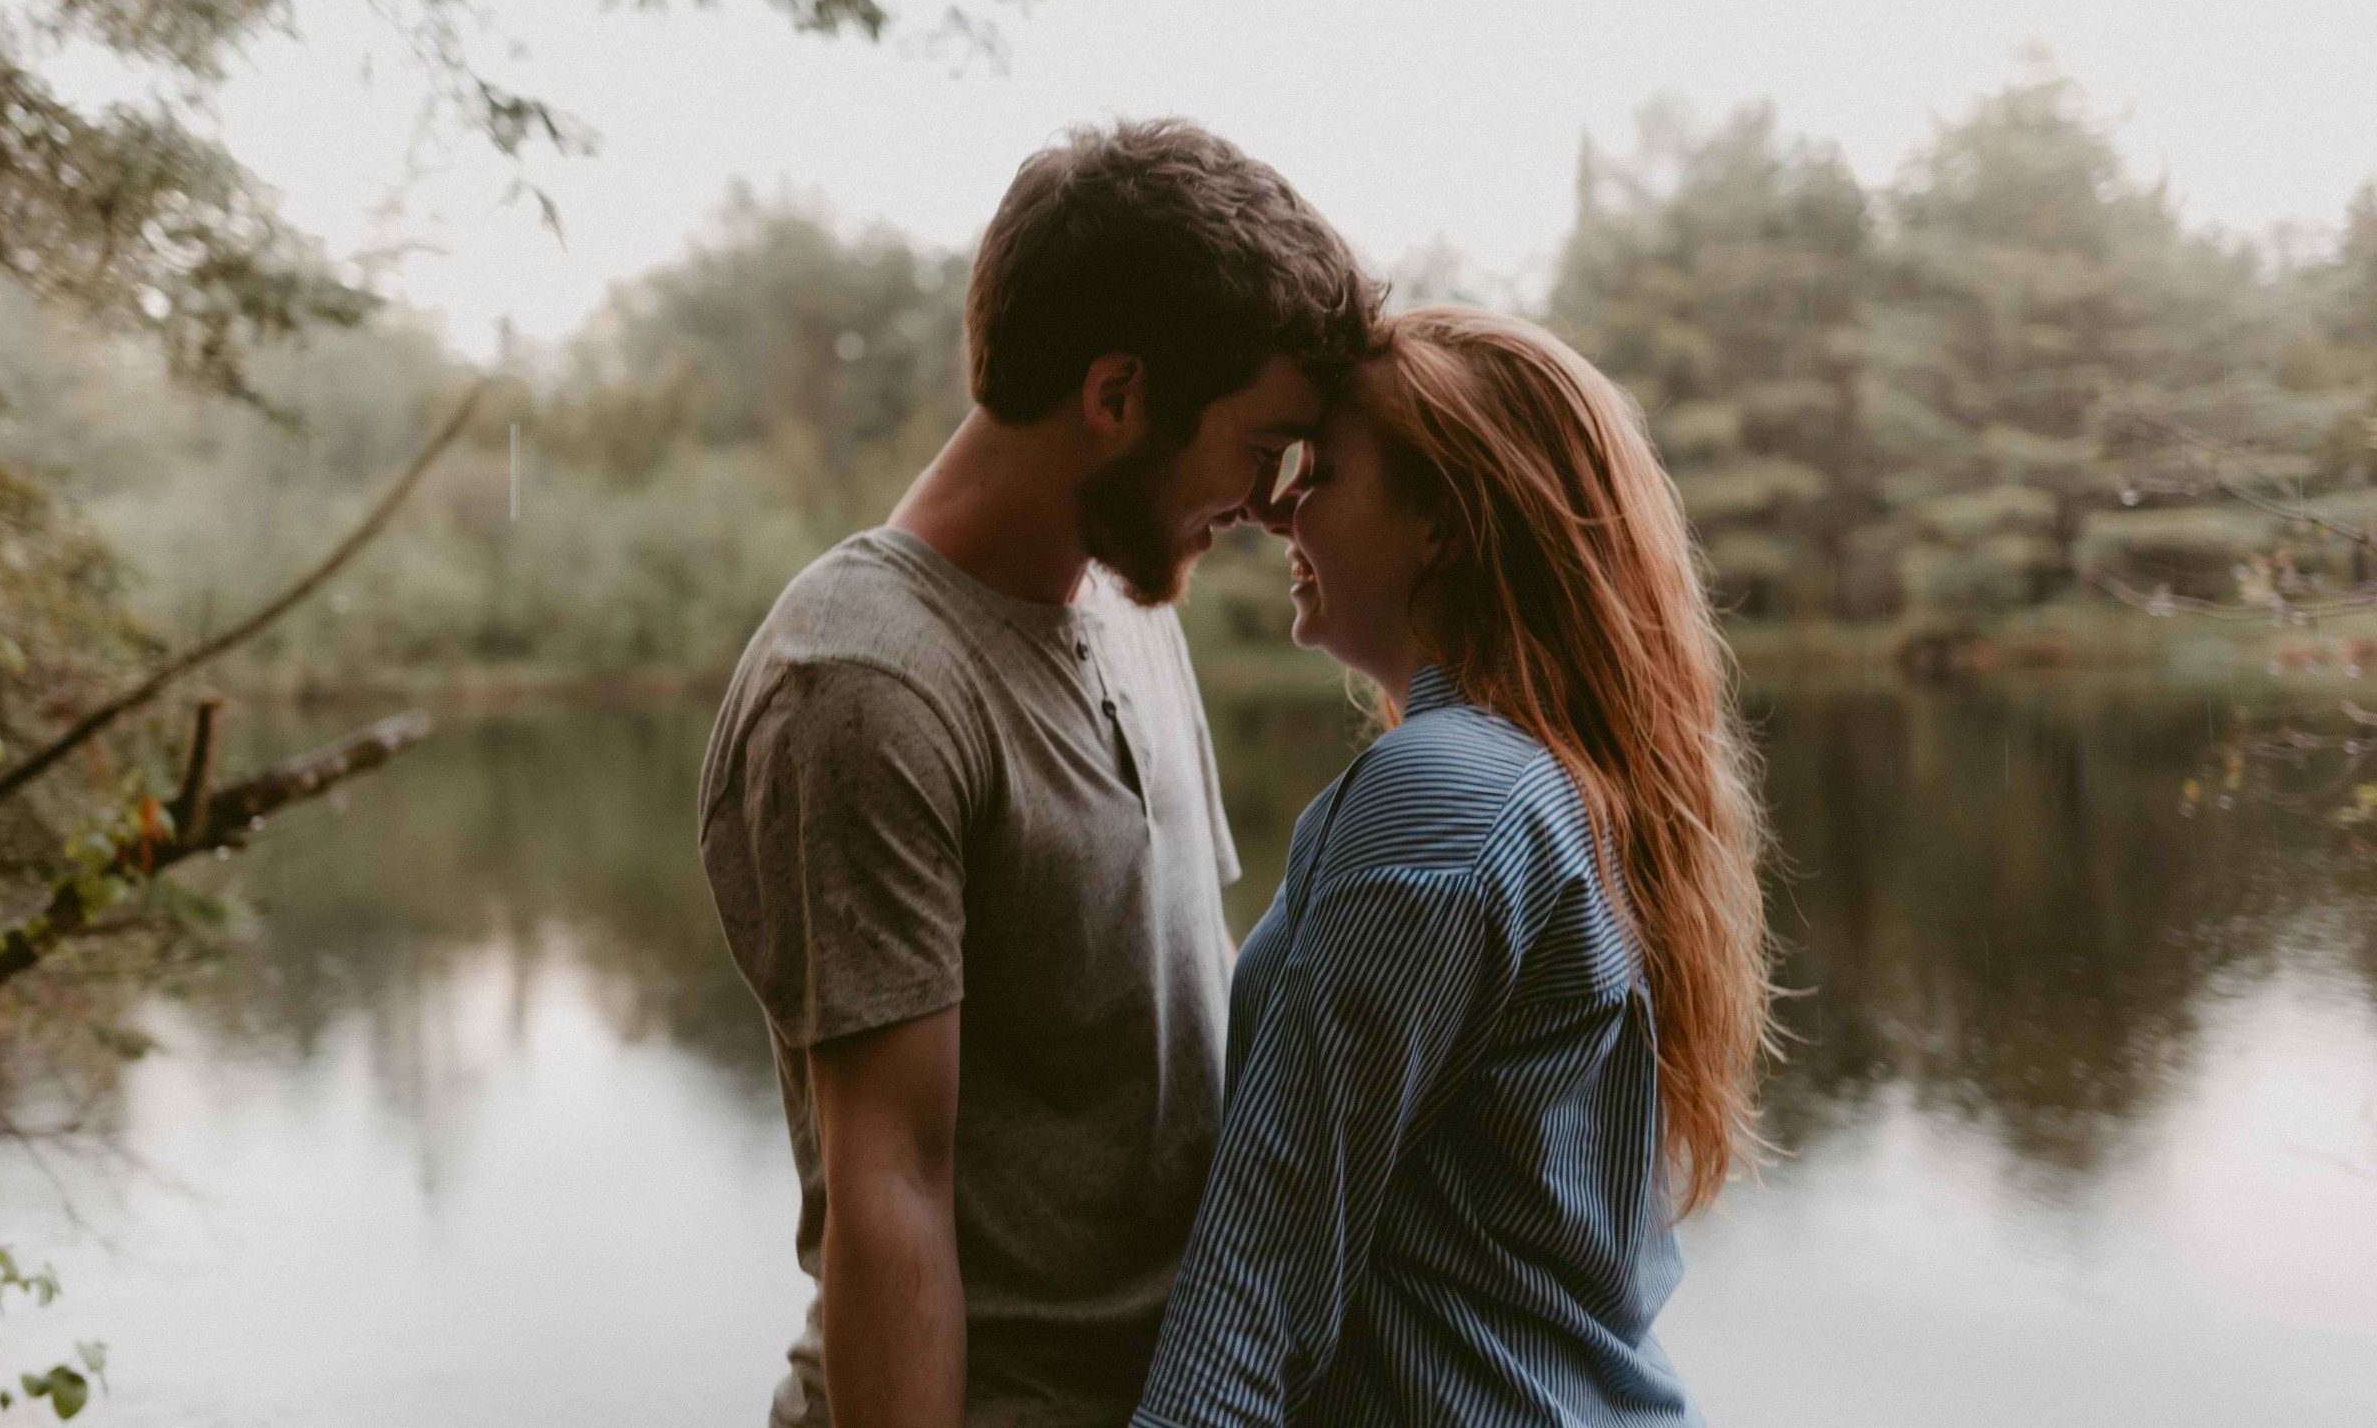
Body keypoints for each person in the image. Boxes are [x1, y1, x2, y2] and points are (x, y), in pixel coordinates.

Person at [698, 119, 1381, 1428]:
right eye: (1259, 445)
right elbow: (888, 1178)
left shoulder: (1131, 603)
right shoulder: (864, 681)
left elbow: (1179, 1019)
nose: (1275, 502)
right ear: (1118, 396)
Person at [1134, 305, 1774, 1427]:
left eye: (1323, 471)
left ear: (1439, 523)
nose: (1278, 509)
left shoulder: (1444, 797)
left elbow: (1258, 1277)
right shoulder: (1555, 779)